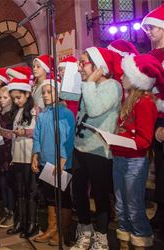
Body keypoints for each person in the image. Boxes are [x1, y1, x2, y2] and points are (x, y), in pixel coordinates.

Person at [71, 47, 123, 250]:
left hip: (99, 151)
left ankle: (101, 236)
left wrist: (90, 82)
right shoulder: (87, 85)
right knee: (79, 193)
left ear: (99, 66)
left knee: (100, 195)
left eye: (83, 62)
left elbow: (94, 110)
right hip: (79, 147)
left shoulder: (113, 86)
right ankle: (85, 230)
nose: (79, 66)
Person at [112, 54, 163, 249]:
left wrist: (119, 138)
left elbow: (143, 140)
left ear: (136, 78)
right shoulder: (129, 102)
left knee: (133, 207)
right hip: (120, 157)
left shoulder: (145, 103)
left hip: (134, 161)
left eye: (125, 74)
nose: (122, 77)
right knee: (120, 205)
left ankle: (141, 238)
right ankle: (124, 240)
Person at [32, 79, 75, 246]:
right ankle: (52, 228)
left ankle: (62, 230)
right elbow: (37, 136)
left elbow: (69, 139)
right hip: (46, 161)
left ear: (59, 93)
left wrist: (62, 159)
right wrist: (35, 155)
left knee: (62, 197)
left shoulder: (66, 113)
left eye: (49, 92)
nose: (45, 95)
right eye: (43, 92)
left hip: (61, 163)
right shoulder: (43, 115)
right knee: (50, 196)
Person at [5, 78, 40, 238]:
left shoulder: (34, 110)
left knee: (30, 192)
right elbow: (14, 135)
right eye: (13, 98)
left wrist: (24, 132)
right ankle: (20, 222)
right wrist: (4, 133)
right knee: (19, 191)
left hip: (30, 156)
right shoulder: (17, 111)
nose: (16, 100)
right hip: (18, 156)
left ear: (27, 94)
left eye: (18, 97)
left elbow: (38, 132)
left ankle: (32, 224)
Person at [141, 5, 164, 233]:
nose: (148, 31)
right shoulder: (149, 56)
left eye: (153, 27)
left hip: (163, 116)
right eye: (146, 28)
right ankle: (160, 210)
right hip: (151, 115)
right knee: (158, 167)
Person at [0, 86, 14, 228]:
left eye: (5, 97)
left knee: (9, 185)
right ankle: (6, 211)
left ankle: (12, 213)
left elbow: (14, 134)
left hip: (10, 153)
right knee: (2, 184)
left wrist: (4, 134)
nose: (2, 100)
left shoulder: (13, 115)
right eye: (0, 97)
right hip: (0, 153)